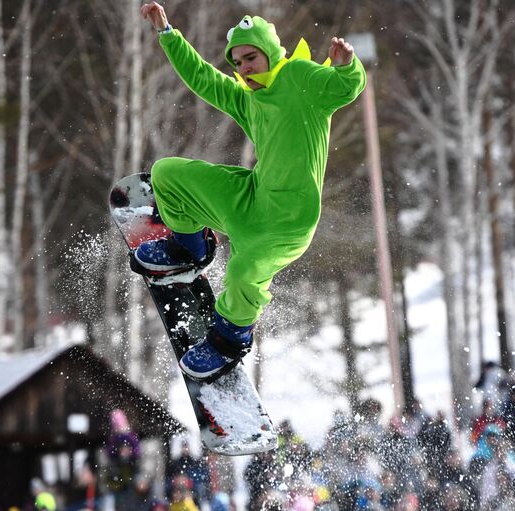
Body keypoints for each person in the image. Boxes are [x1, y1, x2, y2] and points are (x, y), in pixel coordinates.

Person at [137, 1, 367, 381]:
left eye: (250, 58)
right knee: (167, 174)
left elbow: (346, 89)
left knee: (243, 271)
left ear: (270, 53)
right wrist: (167, 33)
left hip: (288, 225)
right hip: (252, 200)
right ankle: (190, 248)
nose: (243, 69)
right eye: (238, 63)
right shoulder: (250, 98)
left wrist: (346, 64)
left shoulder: (299, 79)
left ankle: (230, 339)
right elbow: (204, 79)